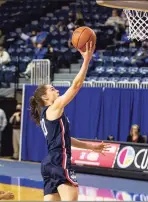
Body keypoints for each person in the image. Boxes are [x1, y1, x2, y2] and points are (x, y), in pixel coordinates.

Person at [29, 42, 110, 201]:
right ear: (45, 98)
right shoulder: (54, 108)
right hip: (59, 161)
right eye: (52, 89)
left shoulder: (48, 115)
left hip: (48, 163)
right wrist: (86, 60)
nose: (57, 90)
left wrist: (90, 147)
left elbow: (65, 139)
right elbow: (76, 85)